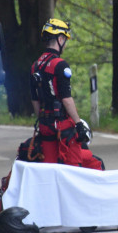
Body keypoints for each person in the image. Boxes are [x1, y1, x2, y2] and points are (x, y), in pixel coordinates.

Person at [30, 18, 94, 167]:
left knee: (49, 167)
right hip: (62, 126)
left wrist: (42, 120)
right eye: (65, 40)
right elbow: (66, 99)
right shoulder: (60, 65)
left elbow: (35, 99)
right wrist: (78, 124)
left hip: (45, 125)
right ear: (60, 39)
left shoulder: (35, 65)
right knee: (73, 167)